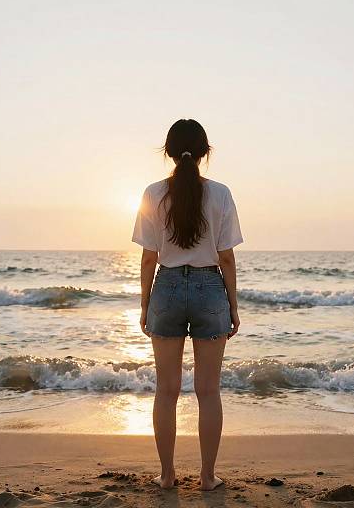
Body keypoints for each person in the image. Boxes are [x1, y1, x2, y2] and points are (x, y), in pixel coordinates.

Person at [131, 119, 243, 491]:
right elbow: (225, 257)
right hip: (211, 286)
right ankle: (208, 477)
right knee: (208, 391)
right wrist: (233, 304)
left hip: (167, 287)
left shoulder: (152, 193)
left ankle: (166, 475)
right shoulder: (221, 194)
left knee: (167, 390)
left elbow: (149, 258)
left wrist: (146, 303)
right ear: (205, 152)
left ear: (168, 151)